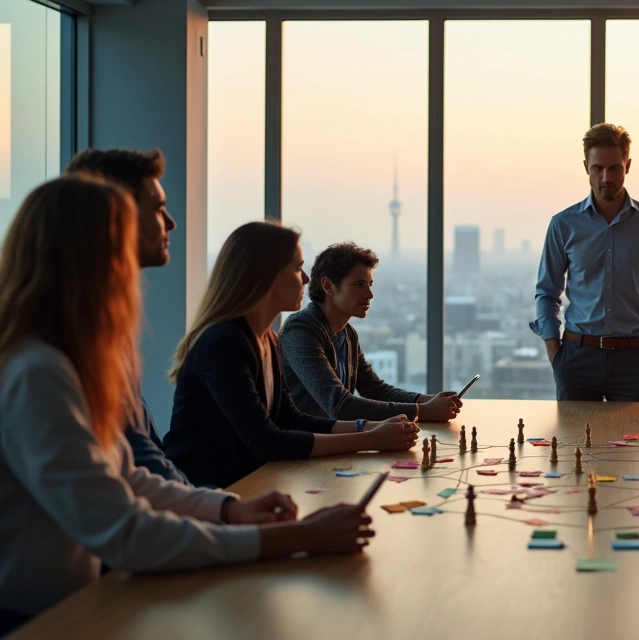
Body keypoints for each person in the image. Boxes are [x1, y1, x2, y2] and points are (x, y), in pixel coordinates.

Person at [0, 177, 375, 634]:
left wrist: (228, 511)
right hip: (38, 620)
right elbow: (126, 533)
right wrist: (294, 537)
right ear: (94, 260)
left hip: (79, 605)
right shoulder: (38, 373)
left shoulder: (67, 361)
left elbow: (129, 479)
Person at [163, 222, 417, 489]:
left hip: (248, 482)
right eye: (297, 269)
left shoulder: (268, 339)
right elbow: (267, 442)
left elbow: (291, 419)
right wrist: (371, 439)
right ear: (266, 276)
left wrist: (368, 428)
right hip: (203, 491)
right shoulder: (223, 344)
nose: (307, 279)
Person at [530, 123, 639, 402]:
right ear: (586, 166)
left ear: (627, 165)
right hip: (576, 359)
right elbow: (547, 292)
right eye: (597, 168)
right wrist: (556, 355)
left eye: (614, 168)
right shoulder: (563, 225)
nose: (606, 177)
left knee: (634, 446)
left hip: (634, 363)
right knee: (574, 446)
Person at [64, 148, 188, 484]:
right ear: (116, 217)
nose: (171, 223)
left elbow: (140, 456)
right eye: (159, 208)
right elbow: (137, 463)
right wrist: (228, 514)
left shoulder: (104, 324)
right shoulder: (69, 340)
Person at [281, 242, 461, 422]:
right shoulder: (300, 330)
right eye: (359, 285)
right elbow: (340, 406)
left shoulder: (347, 334)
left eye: (370, 284)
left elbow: (376, 390)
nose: (369, 294)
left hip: (335, 443)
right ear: (328, 286)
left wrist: (430, 401)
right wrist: (422, 411)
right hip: (300, 447)